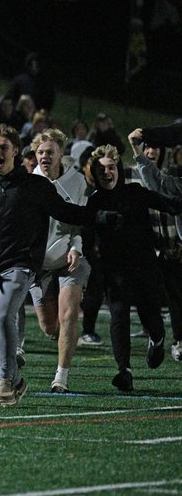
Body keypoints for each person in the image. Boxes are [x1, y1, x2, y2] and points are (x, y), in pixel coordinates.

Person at [0, 124, 115, 406]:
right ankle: (16, 377)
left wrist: (101, 218)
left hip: (19, 264)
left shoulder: (35, 186)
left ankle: (5, 381)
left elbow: (67, 212)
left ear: (16, 152)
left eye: (3, 147)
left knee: (4, 313)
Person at [88, 144, 182, 391]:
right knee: (118, 315)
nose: (107, 172)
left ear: (118, 167)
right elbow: (85, 229)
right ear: (94, 173)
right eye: (101, 169)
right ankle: (124, 371)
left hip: (145, 268)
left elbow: (170, 205)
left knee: (150, 316)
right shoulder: (94, 201)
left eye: (111, 167)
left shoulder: (136, 192)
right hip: (115, 272)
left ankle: (158, 339)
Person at [28, 129, 89, 393]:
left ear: (60, 154)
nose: (44, 156)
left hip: (69, 258)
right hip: (40, 264)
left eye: (50, 152)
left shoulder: (77, 181)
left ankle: (61, 378)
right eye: (40, 152)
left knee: (69, 315)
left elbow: (79, 220)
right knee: (48, 325)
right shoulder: (29, 182)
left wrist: (76, 247)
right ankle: (61, 336)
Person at [131, 126, 182, 361]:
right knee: (150, 295)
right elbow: (157, 183)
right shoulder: (172, 180)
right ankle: (158, 335)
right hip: (154, 246)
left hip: (174, 245)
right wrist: (142, 142)